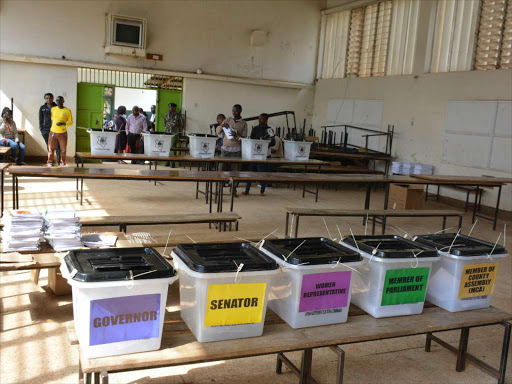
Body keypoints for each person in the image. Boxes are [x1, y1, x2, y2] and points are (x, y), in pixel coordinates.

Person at [242, 113, 274, 196]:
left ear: (266, 120)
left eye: (262, 119)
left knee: (262, 174)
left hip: (264, 155)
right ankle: (247, 190)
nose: (260, 120)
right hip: (254, 155)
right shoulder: (255, 129)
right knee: (250, 173)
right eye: (259, 119)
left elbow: (273, 142)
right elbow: (251, 140)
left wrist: (264, 145)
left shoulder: (269, 130)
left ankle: (262, 191)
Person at [48, 96, 72, 167]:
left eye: (60, 100)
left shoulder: (67, 110)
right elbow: (52, 119)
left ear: (63, 101)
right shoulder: (53, 109)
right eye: (57, 100)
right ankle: (50, 162)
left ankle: (63, 163)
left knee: (63, 149)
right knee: (51, 148)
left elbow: (70, 122)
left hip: (62, 133)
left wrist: (63, 123)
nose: (58, 102)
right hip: (53, 132)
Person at [39, 93, 60, 163]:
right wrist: (41, 130)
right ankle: (51, 160)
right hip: (46, 130)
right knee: (49, 146)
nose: (49, 100)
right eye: (47, 98)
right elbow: (40, 119)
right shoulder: (42, 108)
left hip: (55, 130)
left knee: (57, 146)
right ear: (45, 99)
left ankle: (59, 161)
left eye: (50, 98)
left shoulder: (57, 107)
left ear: (53, 98)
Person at [164, 103, 184, 167]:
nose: (171, 108)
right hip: (167, 133)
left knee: (171, 147)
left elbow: (182, 124)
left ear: (175, 108)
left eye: (172, 107)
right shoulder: (166, 115)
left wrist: (179, 131)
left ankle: (172, 163)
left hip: (174, 134)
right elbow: (164, 124)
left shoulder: (178, 115)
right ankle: (168, 162)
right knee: (168, 148)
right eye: (169, 107)